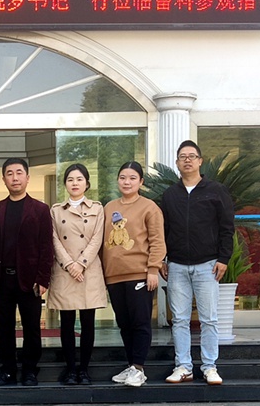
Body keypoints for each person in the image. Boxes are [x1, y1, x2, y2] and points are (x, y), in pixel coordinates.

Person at [160, 140, 235, 386]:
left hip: (207, 265)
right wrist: (162, 259)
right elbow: (163, 230)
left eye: (192, 156)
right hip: (177, 266)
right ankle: (183, 366)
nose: (187, 160)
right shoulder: (170, 195)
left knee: (209, 319)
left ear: (200, 161)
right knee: (180, 320)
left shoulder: (216, 191)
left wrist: (223, 258)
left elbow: (227, 227)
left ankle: (210, 366)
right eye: (183, 156)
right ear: (177, 163)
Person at [0, 158, 54, 387]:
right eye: (10, 173)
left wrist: (43, 278)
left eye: (19, 173)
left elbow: (46, 247)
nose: (15, 177)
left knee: (32, 327)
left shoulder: (40, 210)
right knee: (4, 328)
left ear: (27, 178)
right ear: (4, 179)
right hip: (1, 278)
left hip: (30, 280)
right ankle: (8, 370)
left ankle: (30, 370)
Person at [102, 161, 166, 388]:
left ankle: (139, 368)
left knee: (140, 322)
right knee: (124, 324)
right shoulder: (109, 207)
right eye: (122, 178)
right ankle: (131, 366)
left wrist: (153, 269)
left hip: (139, 274)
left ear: (141, 182)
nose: (126, 182)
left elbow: (158, 241)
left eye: (132, 178)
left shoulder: (149, 207)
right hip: (114, 276)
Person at [48, 163, 106, 386]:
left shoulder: (97, 209)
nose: (75, 183)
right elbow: (53, 240)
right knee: (67, 322)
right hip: (65, 271)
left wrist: (80, 264)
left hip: (88, 270)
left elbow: (97, 239)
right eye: (70, 179)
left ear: (87, 183)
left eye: (79, 179)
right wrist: (69, 264)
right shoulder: (55, 210)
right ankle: (71, 369)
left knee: (88, 322)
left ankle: (84, 370)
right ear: (65, 184)